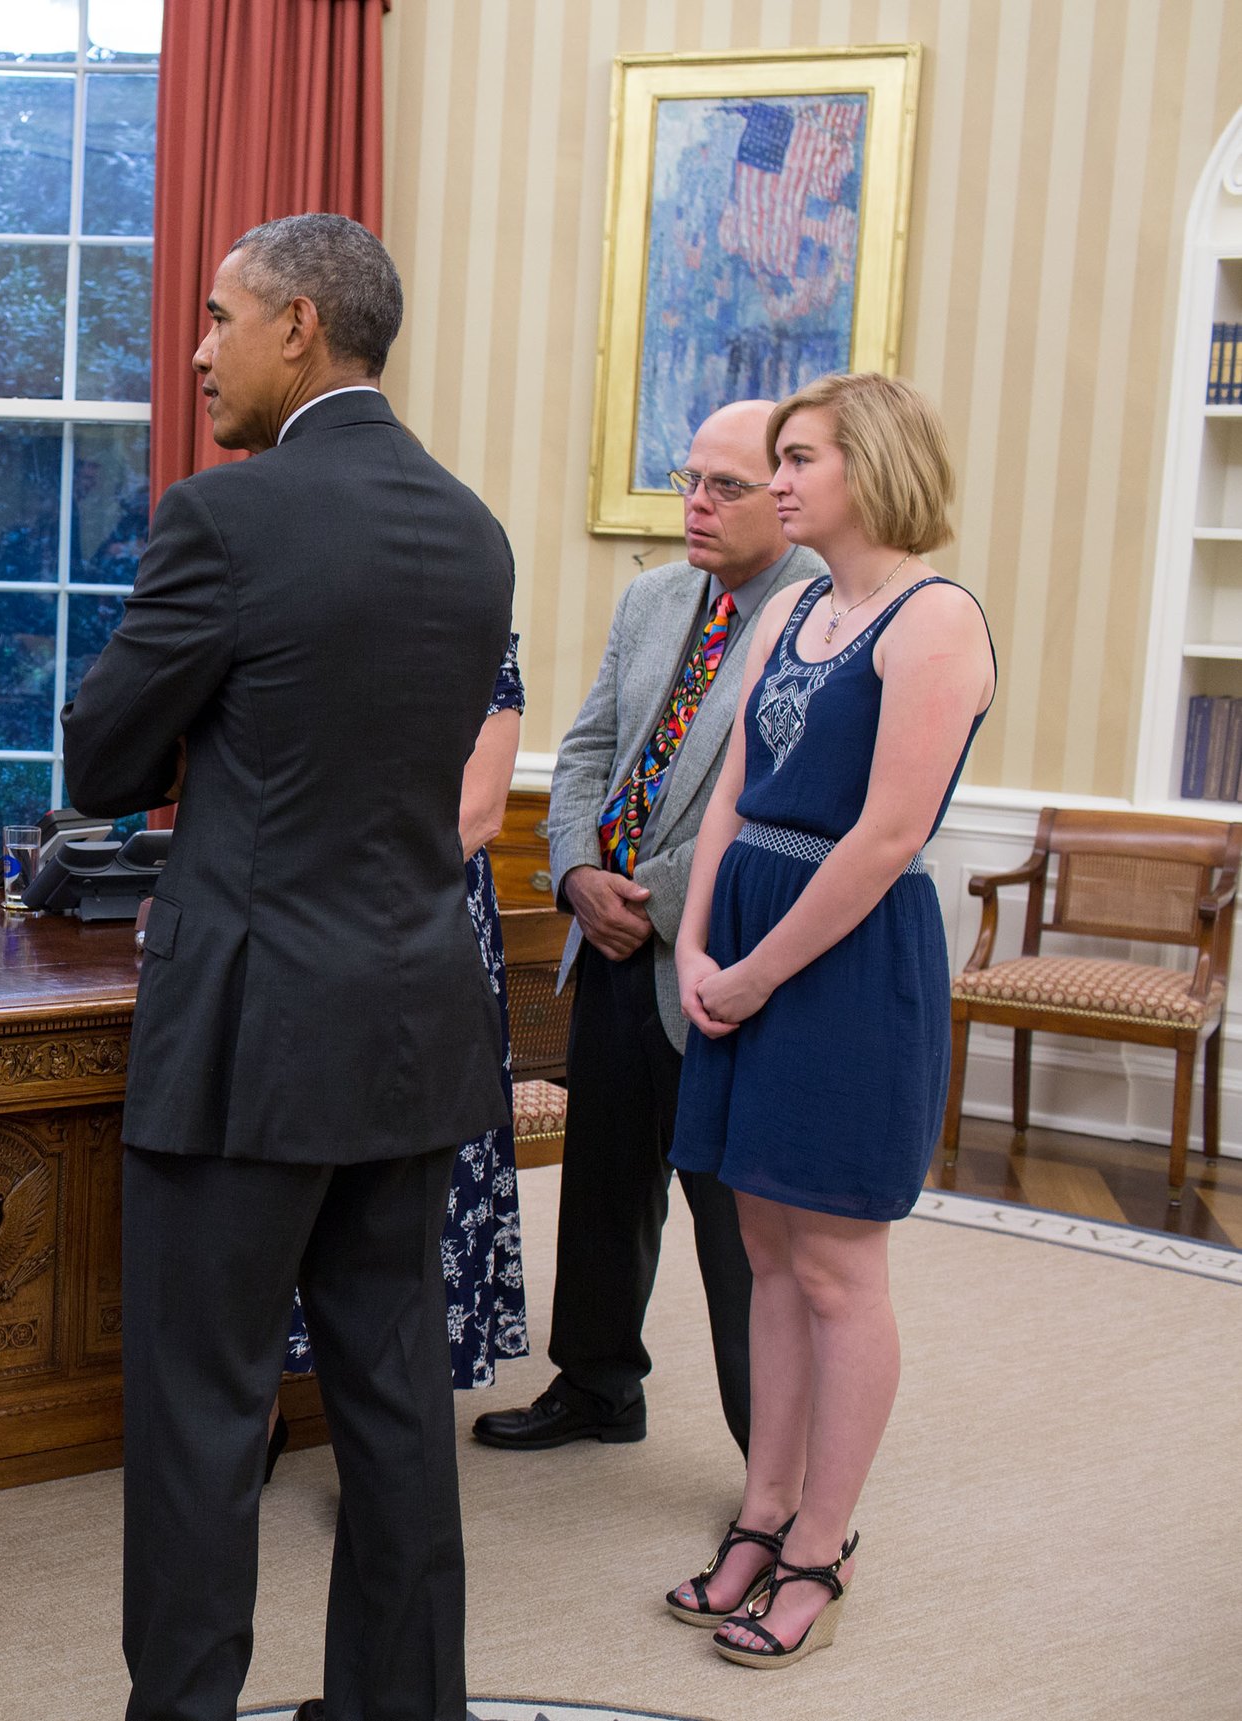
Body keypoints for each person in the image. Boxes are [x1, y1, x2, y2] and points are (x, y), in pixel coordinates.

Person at [64, 212, 514, 1721]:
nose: (198, 350)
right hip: (409, 1027)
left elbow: (103, 756)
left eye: (218, 317)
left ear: (301, 326)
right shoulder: (473, 527)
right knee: (393, 1401)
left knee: (203, 1410)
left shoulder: (225, 521)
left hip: (250, 1040)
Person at [662, 372, 992, 1668]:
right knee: (768, 1250)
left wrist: (752, 974)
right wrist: (697, 938)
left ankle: (821, 1545)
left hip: (849, 963)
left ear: (878, 464)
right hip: (745, 927)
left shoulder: (937, 618)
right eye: (776, 459)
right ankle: (763, 1508)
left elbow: (889, 836)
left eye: (801, 459)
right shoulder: (797, 603)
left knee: (843, 1270)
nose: (778, 480)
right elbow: (737, 778)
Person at [472, 400, 820, 1457]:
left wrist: (650, 901)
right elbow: (587, 752)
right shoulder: (655, 597)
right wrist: (576, 869)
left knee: (734, 1226)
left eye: (725, 487)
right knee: (605, 1181)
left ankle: (773, 1460)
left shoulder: (824, 617)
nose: (695, 505)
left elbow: (782, 804)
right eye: (688, 480)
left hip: (715, 957)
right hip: (607, 940)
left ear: (789, 499)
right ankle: (597, 1384)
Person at [278, 631, 530, 1453]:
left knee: (418, 1182)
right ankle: (271, 1410)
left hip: (424, 919)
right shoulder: (303, 616)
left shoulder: (482, 634)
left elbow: (480, 811)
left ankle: (390, 1446)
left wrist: (350, 879)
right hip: (304, 917)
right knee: (288, 1160)